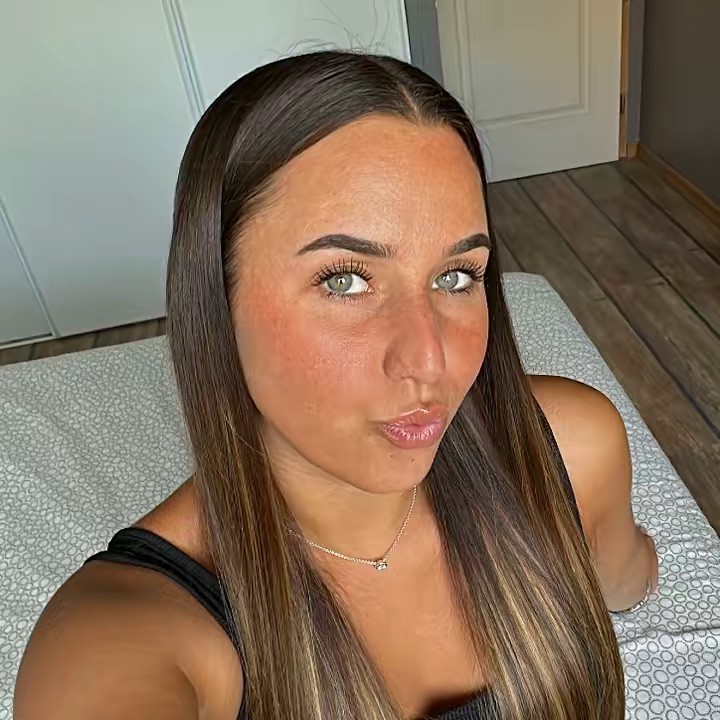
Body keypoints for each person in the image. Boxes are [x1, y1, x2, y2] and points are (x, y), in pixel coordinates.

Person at [14, 50, 659, 720]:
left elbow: (625, 579)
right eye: (344, 280)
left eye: (456, 276)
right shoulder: (128, 634)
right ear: (215, 299)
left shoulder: (572, 448)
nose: (429, 360)